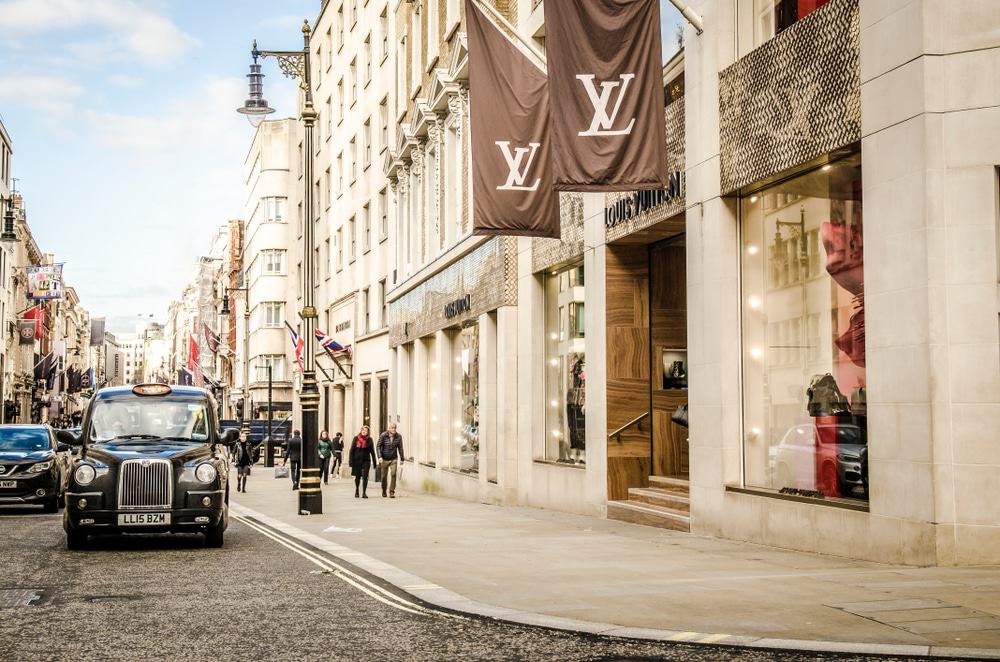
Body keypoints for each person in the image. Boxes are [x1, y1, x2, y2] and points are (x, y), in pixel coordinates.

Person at [376, 423, 406, 498]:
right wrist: (379, 457)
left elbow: (400, 448)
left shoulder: (399, 437)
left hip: (393, 459)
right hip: (384, 459)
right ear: (389, 428)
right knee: (383, 477)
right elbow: (378, 446)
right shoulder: (383, 435)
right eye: (392, 428)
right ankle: (383, 490)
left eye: (395, 428)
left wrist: (402, 458)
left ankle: (392, 492)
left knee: (393, 474)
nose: (394, 429)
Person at [348, 425, 376, 498]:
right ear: (361, 431)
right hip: (356, 460)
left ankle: (364, 492)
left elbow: (372, 451)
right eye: (363, 430)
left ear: (368, 432)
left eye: (366, 430)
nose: (364, 431)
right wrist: (350, 461)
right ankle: (357, 490)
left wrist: (375, 463)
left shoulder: (370, 440)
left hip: (366, 460)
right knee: (357, 477)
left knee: (365, 476)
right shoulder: (356, 438)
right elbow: (352, 450)